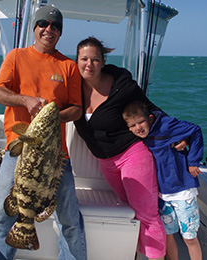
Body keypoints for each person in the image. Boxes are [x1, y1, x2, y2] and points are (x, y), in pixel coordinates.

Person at [0, 5, 86, 260]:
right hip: (17, 150)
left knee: (70, 218)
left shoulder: (69, 66)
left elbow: (76, 109)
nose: (48, 30)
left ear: (60, 33)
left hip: (56, 157)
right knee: (2, 212)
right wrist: (26, 101)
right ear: (34, 27)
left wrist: (52, 118)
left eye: (55, 27)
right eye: (43, 24)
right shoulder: (16, 57)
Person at [74, 37, 167, 260]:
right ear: (76, 61)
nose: (89, 64)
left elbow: (151, 109)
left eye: (95, 59)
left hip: (132, 155)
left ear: (103, 61)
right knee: (130, 211)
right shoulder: (72, 88)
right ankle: (136, 254)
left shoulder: (121, 85)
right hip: (105, 162)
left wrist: (176, 135)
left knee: (146, 214)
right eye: (84, 59)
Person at [123, 100, 203, 260]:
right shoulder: (139, 136)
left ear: (150, 118)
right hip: (162, 195)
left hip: (183, 191)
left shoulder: (167, 126)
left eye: (140, 122)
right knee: (168, 235)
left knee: (189, 238)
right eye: (132, 125)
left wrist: (193, 161)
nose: (138, 128)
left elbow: (195, 130)